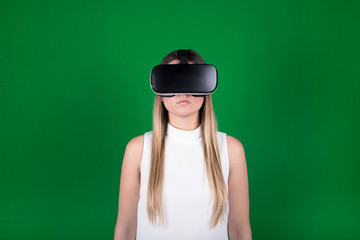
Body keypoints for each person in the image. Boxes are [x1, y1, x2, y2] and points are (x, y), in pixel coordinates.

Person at [114, 49, 252, 240]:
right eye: (173, 82)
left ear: (205, 90)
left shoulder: (231, 150)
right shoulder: (138, 149)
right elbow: (126, 228)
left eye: (191, 81)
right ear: (160, 92)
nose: (183, 91)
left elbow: (240, 230)